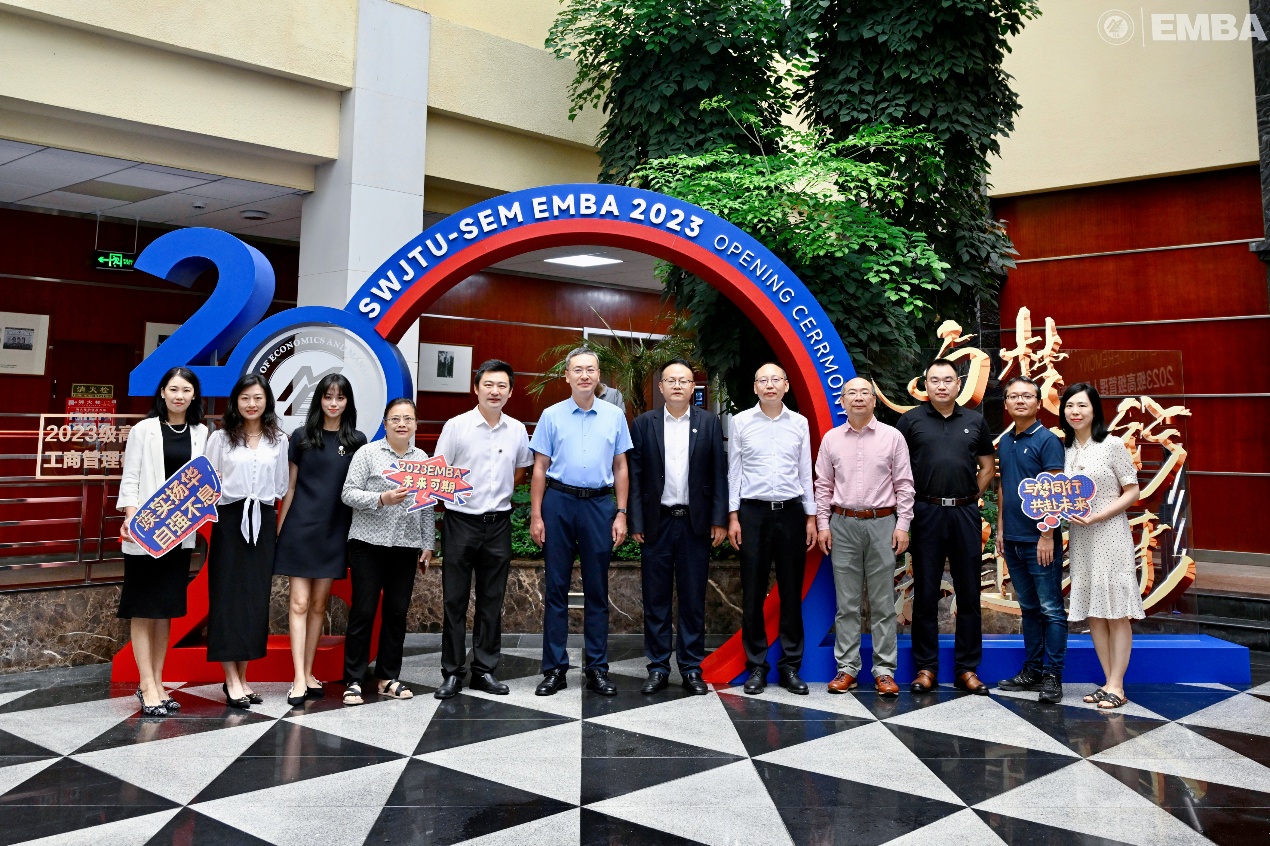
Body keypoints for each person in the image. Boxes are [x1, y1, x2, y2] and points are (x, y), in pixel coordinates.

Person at [529, 347, 632, 697]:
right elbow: (540, 468)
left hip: (599, 506)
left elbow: (621, 466)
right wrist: (537, 514)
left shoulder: (614, 416)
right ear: (567, 376)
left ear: (599, 375)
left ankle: (597, 668)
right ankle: (554, 669)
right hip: (558, 503)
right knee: (556, 588)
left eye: (590, 369)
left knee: (597, 590)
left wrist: (621, 512)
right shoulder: (551, 415)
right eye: (577, 370)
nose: (584, 375)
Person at [432, 360, 534, 700]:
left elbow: (521, 471)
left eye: (502, 386)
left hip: (498, 523)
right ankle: (451, 673)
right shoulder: (457, 426)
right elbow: (439, 473)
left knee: (492, 601)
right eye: (488, 384)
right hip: (460, 522)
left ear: (510, 391)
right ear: (476, 388)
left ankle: (485, 670)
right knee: (454, 601)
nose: (495, 391)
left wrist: (497, 494)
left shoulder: (517, 430)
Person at [629, 359, 728, 696]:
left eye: (684, 380)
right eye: (670, 380)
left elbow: (719, 473)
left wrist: (718, 519)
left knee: (692, 599)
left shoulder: (709, 422)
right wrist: (636, 521)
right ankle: (658, 667)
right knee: (655, 598)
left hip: (694, 524)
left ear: (692, 387)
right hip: (656, 524)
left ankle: (690, 668)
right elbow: (636, 475)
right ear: (661, 387)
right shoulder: (644, 423)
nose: (677, 386)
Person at [896, 359, 995, 695]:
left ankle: (967, 669)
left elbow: (987, 466)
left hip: (965, 513)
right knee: (925, 593)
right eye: (934, 380)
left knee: (969, 594)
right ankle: (926, 668)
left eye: (948, 380)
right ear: (926, 384)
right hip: (926, 512)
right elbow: (897, 469)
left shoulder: (975, 421)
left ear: (958, 384)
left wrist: (969, 496)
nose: (941, 385)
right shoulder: (910, 421)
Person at [117, 366, 209, 717]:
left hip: (178, 534)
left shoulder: (202, 433)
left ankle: (158, 681)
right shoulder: (144, 430)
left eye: (186, 390)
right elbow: (131, 478)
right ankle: (145, 684)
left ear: (194, 395)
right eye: (173, 389)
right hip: (145, 532)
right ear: (162, 392)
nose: (179, 396)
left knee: (165, 609)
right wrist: (130, 517)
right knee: (143, 607)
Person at [814, 377, 914, 698]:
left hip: (883, 524)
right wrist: (823, 524)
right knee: (847, 604)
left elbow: (904, 484)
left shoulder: (892, 437)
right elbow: (823, 485)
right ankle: (847, 668)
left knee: (884, 603)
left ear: (874, 401)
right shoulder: (831, 439)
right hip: (842, 524)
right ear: (842, 401)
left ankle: (884, 671)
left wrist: (903, 525)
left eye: (864, 393)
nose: (858, 397)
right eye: (851, 393)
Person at [275, 373, 366, 707]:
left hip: (334, 531)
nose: (333, 403)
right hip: (300, 530)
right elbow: (290, 487)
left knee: (318, 605)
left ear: (347, 402)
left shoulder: (356, 440)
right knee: (299, 603)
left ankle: (309, 671)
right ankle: (298, 678)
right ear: (319, 400)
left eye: (340, 397)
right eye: (328, 397)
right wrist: (280, 532)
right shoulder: (302, 436)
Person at [728, 362, 817, 696]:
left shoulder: (799, 423)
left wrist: (811, 517)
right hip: (753, 514)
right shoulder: (740, 422)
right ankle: (756, 666)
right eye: (762, 380)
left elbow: (805, 471)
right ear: (755, 387)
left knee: (791, 591)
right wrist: (733, 516)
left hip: (791, 513)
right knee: (752, 591)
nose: (769, 385)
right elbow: (734, 471)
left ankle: (790, 666)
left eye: (775, 379)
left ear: (786, 386)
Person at [340, 398, 435, 706]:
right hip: (368, 544)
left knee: (396, 613)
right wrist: (381, 498)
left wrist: (428, 543)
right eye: (395, 419)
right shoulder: (367, 453)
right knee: (363, 611)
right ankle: (354, 679)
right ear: (385, 423)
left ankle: (387, 677)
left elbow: (426, 505)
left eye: (408, 419)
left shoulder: (422, 459)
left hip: (406, 546)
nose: (402, 424)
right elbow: (348, 493)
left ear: (416, 424)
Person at [204, 374, 290, 707]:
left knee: (255, 599)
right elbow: (207, 482)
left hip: (263, 520)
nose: (251, 404)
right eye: (245, 398)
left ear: (267, 401)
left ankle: (243, 676)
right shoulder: (220, 438)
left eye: (257, 398)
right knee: (227, 597)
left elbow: (281, 485)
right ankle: (230, 678)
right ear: (236, 402)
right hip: (229, 520)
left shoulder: (279, 440)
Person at [1060, 382, 1143, 710]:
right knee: (1095, 612)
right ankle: (1108, 681)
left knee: (1116, 611)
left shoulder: (1112, 444)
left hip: (1110, 534)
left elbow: (1132, 491)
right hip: (1081, 539)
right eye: (1069, 405)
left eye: (1082, 405)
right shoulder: (1064, 449)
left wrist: (1099, 515)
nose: (1075, 412)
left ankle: (1117, 685)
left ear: (1094, 410)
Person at [995, 376, 1067, 705]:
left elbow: (1055, 490)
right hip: (1012, 539)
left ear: (1038, 403)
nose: (1020, 401)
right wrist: (1000, 530)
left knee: (1051, 609)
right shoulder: (1007, 440)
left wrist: (1047, 535)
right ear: (1006, 404)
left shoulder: (1047, 440)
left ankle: (1052, 676)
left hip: (1040, 541)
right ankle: (1032, 670)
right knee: (1029, 608)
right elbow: (1004, 488)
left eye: (1027, 396)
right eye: (1014, 396)